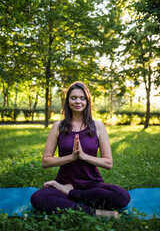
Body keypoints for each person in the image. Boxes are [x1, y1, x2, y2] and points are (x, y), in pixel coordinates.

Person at [31, 81, 130, 218]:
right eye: (73, 98)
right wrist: (71, 157)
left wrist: (83, 156)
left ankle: (71, 196)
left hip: (91, 185)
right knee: (38, 198)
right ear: (68, 101)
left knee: (121, 196)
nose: (78, 101)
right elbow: (45, 162)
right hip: (64, 183)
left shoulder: (98, 126)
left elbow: (108, 163)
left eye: (82, 98)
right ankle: (96, 212)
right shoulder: (58, 126)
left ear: (87, 101)